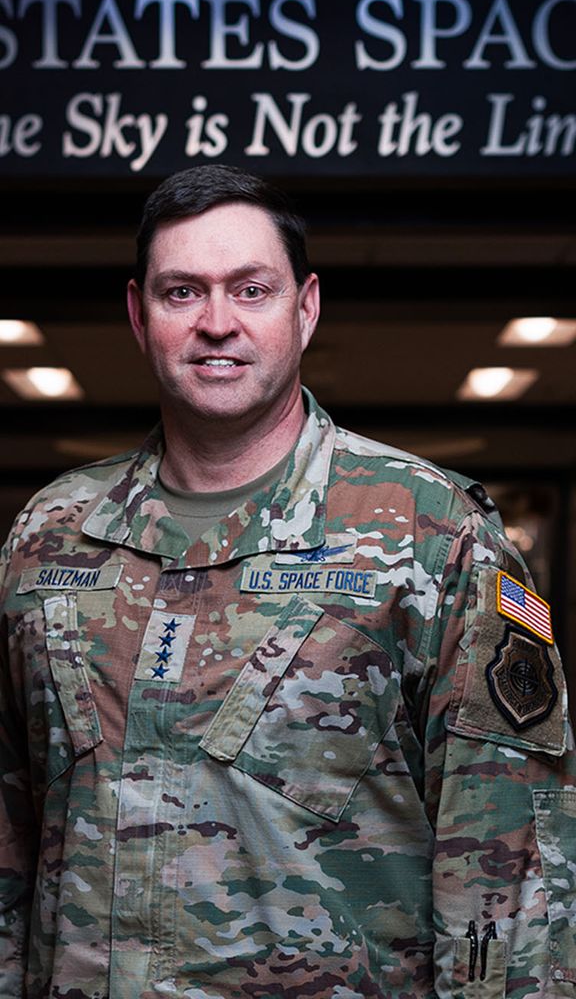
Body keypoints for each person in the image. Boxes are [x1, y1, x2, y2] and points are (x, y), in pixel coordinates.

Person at [0, 165, 575, 999]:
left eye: (252, 290)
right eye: (182, 292)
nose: (217, 324)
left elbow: (517, 881)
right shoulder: (49, 535)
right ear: (139, 314)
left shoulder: (433, 535)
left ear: (304, 308)